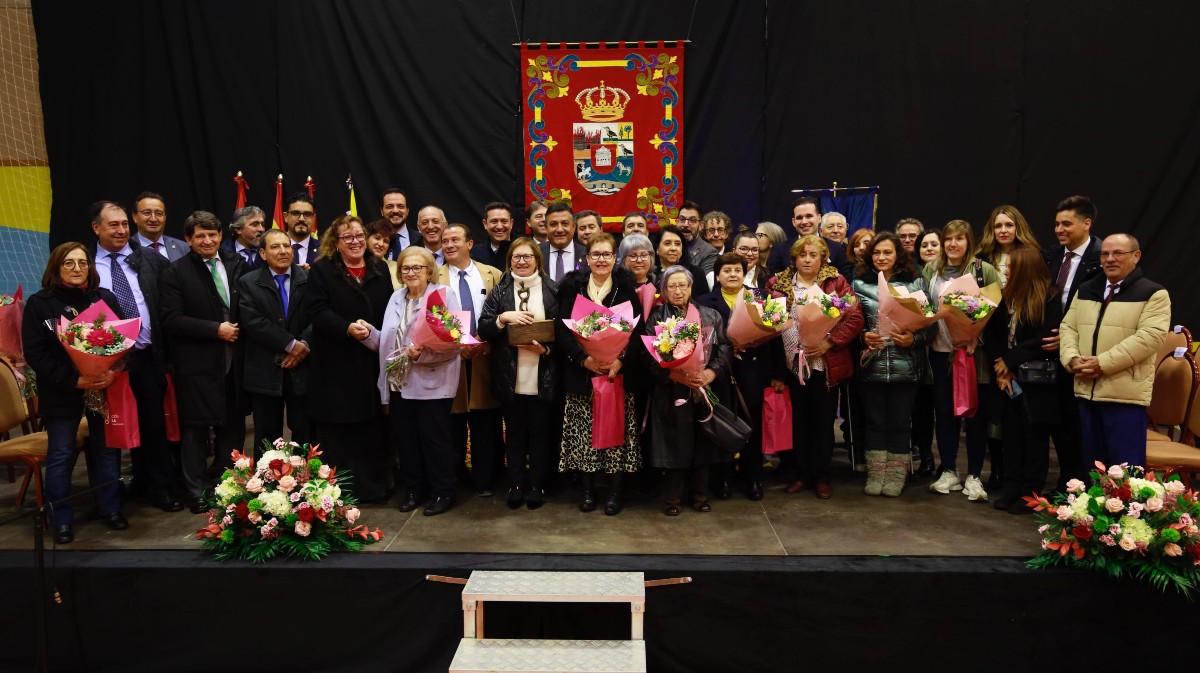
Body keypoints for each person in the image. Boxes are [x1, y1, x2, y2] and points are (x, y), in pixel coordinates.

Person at [22, 242, 128, 544]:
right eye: (68, 263)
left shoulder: (103, 298)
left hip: (102, 389)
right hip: (61, 392)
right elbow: (36, 354)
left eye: (82, 263)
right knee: (61, 454)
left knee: (106, 451)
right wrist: (74, 380)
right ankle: (61, 519)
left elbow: (123, 343)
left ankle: (110, 508)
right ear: (56, 267)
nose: (77, 268)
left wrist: (112, 371)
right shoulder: (40, 303)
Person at [91, 200, 179, 511]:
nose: (121, 230)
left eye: (124, 224)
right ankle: (110, 497)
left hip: (146, 355)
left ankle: (159, 487)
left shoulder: (149, 259)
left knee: (153, 423)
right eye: (113, 225)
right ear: (96, 228)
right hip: (106, 362)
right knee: (111, 430)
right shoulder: (86, 263)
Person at [159, 210, 247, 513]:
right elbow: (170, 319)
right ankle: (196, 491)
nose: (207, 240)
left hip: (234, 361)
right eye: (200, 236)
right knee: (195, 431)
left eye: (212, 234)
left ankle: (229, 486)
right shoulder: (175, 272)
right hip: (195, 364)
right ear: (188, 239)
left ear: (221, 235)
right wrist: (214, 330)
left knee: (233, 425)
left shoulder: (237, 264)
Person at [1060, 233, 1170, 468]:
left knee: (1125, 474)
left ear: (1136, 256)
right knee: (1091, 472)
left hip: (1124, 397)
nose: (1109, 259)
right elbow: (1068, 327)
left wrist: (1102, 363)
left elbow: (1150, 337)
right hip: (1085, 392)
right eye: (1105, 254)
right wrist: (1072, 359)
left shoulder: (1153, 293)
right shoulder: (1086, 289)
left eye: (1118, 253)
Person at [766, 235, 863, 499]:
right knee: (797, 422)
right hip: (790, 366)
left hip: (824, 365)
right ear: (794, 258)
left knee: (822, 423)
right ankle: (801, 474)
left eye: (813, 255)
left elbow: (854, 318)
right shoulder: (777, 283)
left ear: (823, 259)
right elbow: (768, 323)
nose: (807, 260)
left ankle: (821, 476)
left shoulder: (836, 282)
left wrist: (830, 342)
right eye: (802, 255)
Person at [306, 214, 392, 503]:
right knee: (338, 429)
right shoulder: (322, 270)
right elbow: (316, 311)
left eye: (359, 236)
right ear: (336, 242)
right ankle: (339, 491)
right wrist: (346, 328)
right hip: (335, 365)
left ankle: (373, 488)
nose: (355, 242)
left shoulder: (380, 268)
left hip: (371, 361)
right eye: (348, 237)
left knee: (371, 428)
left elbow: (389, 310)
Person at [556, 233, 643, 515]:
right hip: (582, 374)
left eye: (607, 254)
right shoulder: (573, 289)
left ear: (615, 258)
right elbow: (562, 330)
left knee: (616, 434)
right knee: (584, 436)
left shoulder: (626, 288)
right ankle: (588, 491)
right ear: (587, 258)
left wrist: (620, 361)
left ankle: (615, 492)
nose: (601, 259)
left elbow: (637, 331)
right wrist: (584, 359)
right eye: (596, 254)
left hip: (616, 375)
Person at [378, 246, 463, 516]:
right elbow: (388, 340)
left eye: (417, 267)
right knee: (406, 441)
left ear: (429, 271)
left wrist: (421, 355)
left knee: (434, 441)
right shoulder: (396, 297)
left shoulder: (442, 295)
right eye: (406, 268)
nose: (411, 272)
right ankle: (414, 489)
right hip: (399, 383)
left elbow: (455, 342)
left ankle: (443, 491)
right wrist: (369, 334)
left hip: (433, 384)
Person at [922, 219, 1001, 502]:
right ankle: (949, 471)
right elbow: (925, 307)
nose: (953, 244)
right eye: (948, 239)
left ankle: (974, 475)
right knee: (944, 414)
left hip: (972, 354)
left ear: (969, 242)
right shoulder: (931, 269)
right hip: (941, 352)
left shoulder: (983, 270)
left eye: (959, 239)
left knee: (975, 415)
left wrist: (974, 336)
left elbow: (995, 309)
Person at [696, 253, 786, 500]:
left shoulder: (760, 297)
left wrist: (778, 373)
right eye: (727, 271)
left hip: (753, 372)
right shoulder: (704, 301)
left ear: (745, 274)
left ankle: (753, 478)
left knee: (751, 426)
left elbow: (776, 336)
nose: (733, 274)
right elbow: (700, 338)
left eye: (737, 270)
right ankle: (722, 478)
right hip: (718, 373)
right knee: (722, 425)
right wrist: (726, 346)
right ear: (717, 276)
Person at [478, 238, 560, 509]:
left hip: (542, 374)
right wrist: (503, 318)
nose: (522, 261)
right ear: (509, 261)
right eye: (517, 257)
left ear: (537, 260)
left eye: (527, 257)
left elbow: (564, 334)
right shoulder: (500, 291)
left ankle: (537, 485)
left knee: (539, 434)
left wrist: (545, 350)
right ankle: (515, 484)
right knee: (513, 433)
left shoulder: (552, 290)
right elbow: (484, 328)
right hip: (510, 376)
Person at [646, 265, 730, 515]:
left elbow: (724, 347)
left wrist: (711, 372)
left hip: (703, 388)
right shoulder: (656, 317)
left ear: (691, 287)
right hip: (672, 391)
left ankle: (700, 496)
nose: (678, 291)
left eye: (682, 285)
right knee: (675, 444)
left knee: (703, 443)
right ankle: (673, 499)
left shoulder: (710, 315)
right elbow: (647, 355)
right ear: (664, 290)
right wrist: (672, 374)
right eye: (671, 286)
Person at [852, 232, 931, 497]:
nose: (882, 257)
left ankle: (896, 476)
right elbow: (849, 323)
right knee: (874, 422)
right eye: (876, 252)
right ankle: (876, 475)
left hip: (906, 366)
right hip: (871, 365)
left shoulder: (914, 282)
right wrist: (863, 336)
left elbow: (931, 325)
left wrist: (914, 339)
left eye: (887, 252)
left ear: (898, 254)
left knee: (900, 423)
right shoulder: (859, 283)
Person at [985, 247, 1063, 512]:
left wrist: (1010, 361)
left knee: (1034, 439)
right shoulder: (1005, 297)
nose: (1006, 272)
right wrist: (1001, 367)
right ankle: (1011, 488)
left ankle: (1030, 494)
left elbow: (1045, 339)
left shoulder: (1049, 297)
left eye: (1010, 267)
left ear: (1025, 269)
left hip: (1036, 382)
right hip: (1007, 380)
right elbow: (993, 335)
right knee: (1011, 436)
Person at [1040, 195, 1103, 489]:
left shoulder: (1101, 259)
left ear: (1086, 223)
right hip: (1049, 350)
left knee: (1079, 424)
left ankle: (1084, 485)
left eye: (1066, 224)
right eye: (1056, 224)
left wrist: (1068, 340)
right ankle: (1067, 482)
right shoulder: (1051, 256)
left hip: (1083, 353)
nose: (1059, 229)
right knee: (1058, 423)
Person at [438, 223, 505, 496]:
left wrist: (488, 342)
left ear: (469, 244)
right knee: (452, 424)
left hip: (485, 358)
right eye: (445, 241)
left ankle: (485, 480)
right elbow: (434, 316)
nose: (449, 244)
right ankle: (455, 480)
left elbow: (503, 311)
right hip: (450, 360)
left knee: (485, 423)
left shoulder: (493, 274)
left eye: (455, 239)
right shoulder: (434, 276)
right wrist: (457, 345)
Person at [237, 229, 312, 453]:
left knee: (305, 435)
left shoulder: (309, 279)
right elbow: (253, 322)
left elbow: (318, 316)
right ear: (262, 253)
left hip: (303, 370)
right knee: (267, 440)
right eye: (275, 247)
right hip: (264, 371)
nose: (282, 251)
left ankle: (306, 475)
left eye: (286, 246)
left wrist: (304, 345)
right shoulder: (248, 282)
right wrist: (291, 345)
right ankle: (269, 476)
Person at [910, 227, 942, 475]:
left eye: (934, 244)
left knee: (941, 409)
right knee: (921, 409)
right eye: (924, 245)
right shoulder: (912, 277)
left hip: (945, 349)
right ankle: (926, 456)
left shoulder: (951, 275)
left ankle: (948, 462)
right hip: (918, 350)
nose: (929, 248)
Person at [766, 197, 853, 278]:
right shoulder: (780, 250)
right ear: (793, 222)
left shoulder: (837, 249)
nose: (804, 221)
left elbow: (846, 282)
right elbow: (772, 283)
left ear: (819, 218)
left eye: (809, 216)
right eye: (799, 218)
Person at [978, 205, 1039, 288]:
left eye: (1009, 225)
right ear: (992, 230)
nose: (1003, 230)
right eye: (998, 226)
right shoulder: (981, 259)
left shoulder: (1031, 256)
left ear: (1018, 227)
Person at [131, 191, 187, 261]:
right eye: (147, 213)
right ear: (134, 216)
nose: (153, 219)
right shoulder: (127, 248)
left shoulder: (183, 248)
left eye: (159, 213)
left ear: (165, 217)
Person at [539, 202, 586, 284]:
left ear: (574, 227)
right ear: (546, 228)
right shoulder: (535, 253)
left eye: (565, 224)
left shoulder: (587, 254)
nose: (559, 229)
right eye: (553, 224)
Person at [655, 225, 710, 295]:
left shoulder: (696, 273)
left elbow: (704, 300)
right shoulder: (650, 274)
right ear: (657, 248)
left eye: (677, 244)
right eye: (667, 244)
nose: (673, 248)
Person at [372, 188, 418, 261]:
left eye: (400, 206)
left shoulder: (420, 238)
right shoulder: (370, 240)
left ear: (407, 211)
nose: (395, 210)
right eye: (389, 206)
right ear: (381, 211)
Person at [674, 201, 718, 276]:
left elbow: (703, 281)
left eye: (692, 220)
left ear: (701, 225)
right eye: (682, 219)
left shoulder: (709, 253)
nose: (685, 225)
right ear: (677, 222)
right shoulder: (667, 247)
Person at [471, 201, 515, 268]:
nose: (499, 227)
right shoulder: (475, 253)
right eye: (494, 221)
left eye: (504, 221)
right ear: (485, 224)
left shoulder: (524, 248)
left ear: (511, 224)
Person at [284, 193, 321, 267]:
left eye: (307, 214)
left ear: (313, 218)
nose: (301, 219)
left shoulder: (325, 251)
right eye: (296, 213)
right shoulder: (271, 247)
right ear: (286, 217)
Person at [365, 218, 402, 290]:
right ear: (366, 238)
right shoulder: (358, 264)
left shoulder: (397, 268)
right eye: (377, 238)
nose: (381, 244)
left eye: (386, 241)